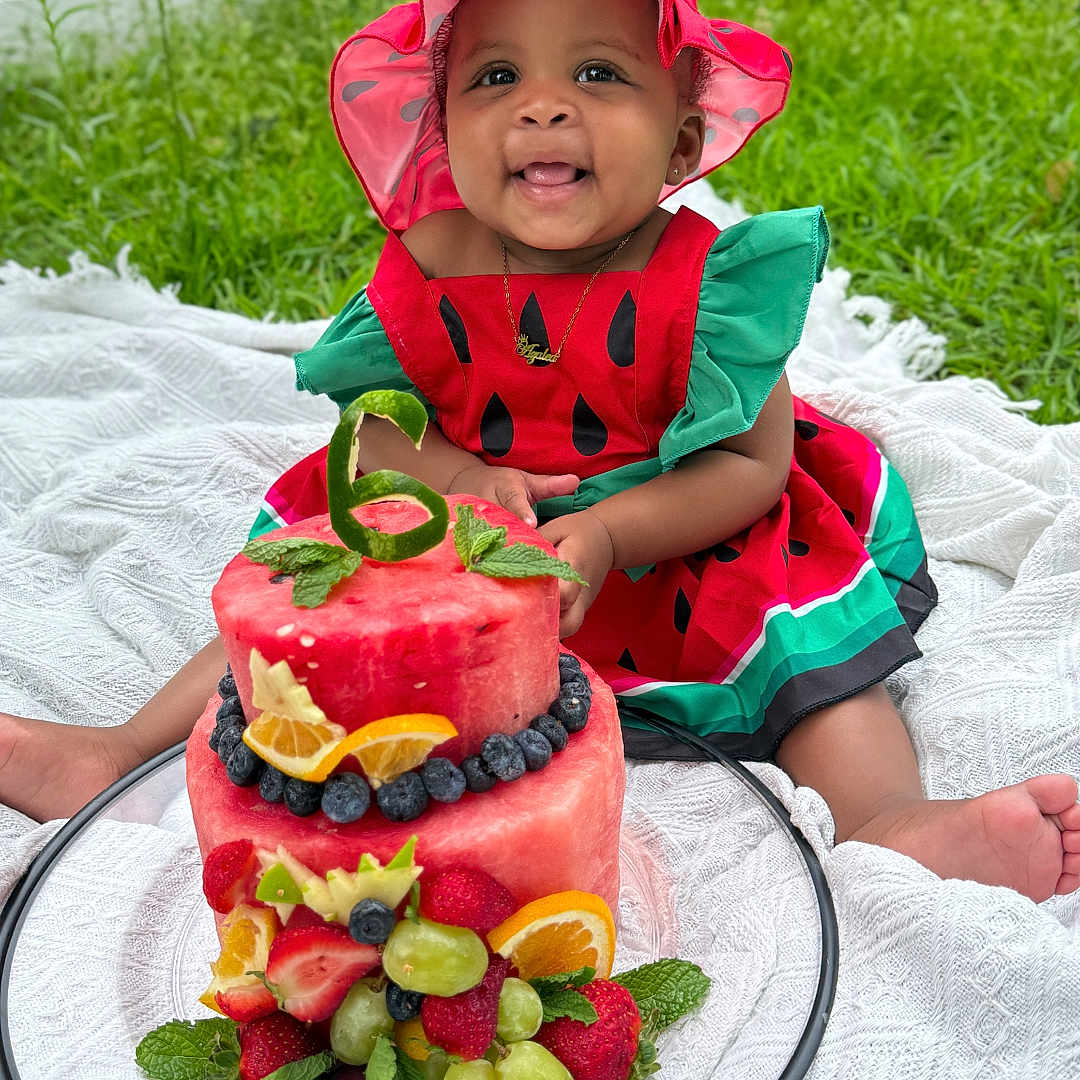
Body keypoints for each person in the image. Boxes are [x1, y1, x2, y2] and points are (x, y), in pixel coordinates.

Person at [3, 0, 1078, 904]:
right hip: (468, 539)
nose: (543, 105)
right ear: (442, 130)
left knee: (808, 652)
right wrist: (462, 479)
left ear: (682, 144)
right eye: (497, 76)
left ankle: (891, 818)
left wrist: (608, 532)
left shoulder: (706, 284)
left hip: (673, 539)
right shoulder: (431, 260)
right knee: (305, 603)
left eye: (599, 74)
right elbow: (374, 428)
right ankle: (119, 748)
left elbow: (751, 467)